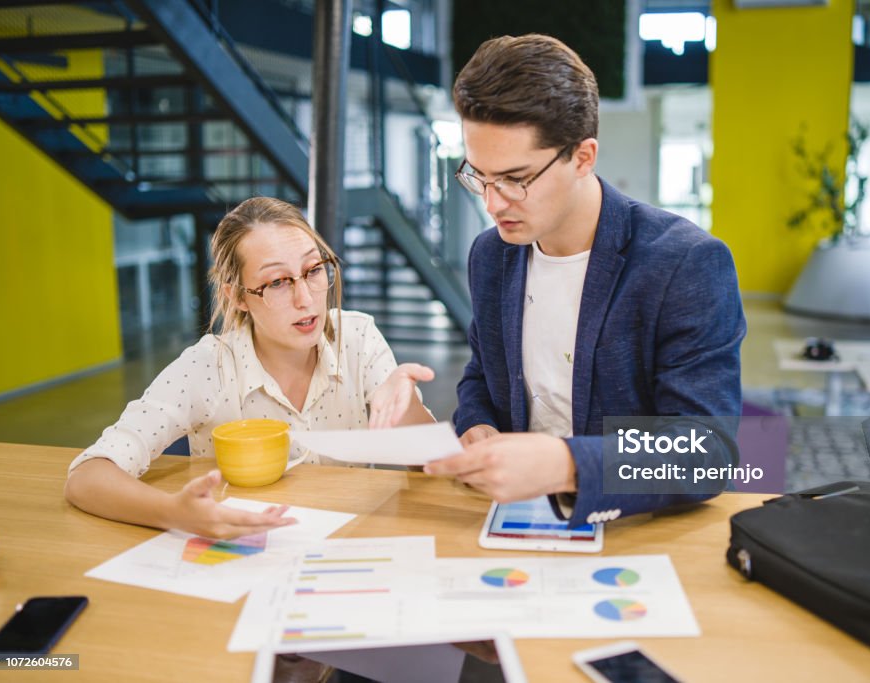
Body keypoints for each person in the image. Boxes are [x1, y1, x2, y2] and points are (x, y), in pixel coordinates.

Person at [425, 34, 746, 527]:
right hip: (514, 521)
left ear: (583, 156)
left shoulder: (684, 263)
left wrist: (566, 464)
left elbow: (705, 448)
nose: (491, 204)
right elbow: (482, 377)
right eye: (479, 177)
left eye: (515, 179)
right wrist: (478, 425)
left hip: (639, 531)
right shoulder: (492, 256)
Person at [65, 197, 435, 538]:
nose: (305, 299)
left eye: (313, 270)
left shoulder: (358, 338)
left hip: (346, 550)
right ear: (237, 296)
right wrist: (173, 513)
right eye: (276, 282)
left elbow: (431, 465)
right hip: (246, 555)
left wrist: (406, 409)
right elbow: (87, 475)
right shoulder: (208, 366)